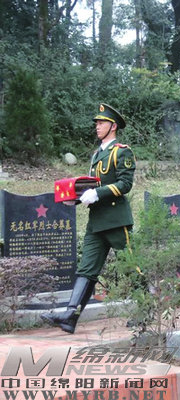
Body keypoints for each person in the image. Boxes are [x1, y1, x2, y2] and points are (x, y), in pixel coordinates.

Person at [41, 103, 136, 334]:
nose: (97, 126)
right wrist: (76, 199)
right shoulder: (97, 154)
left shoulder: (121, 151)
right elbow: (91, 185)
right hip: (96, 222)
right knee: (86, 269)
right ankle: (70, 316)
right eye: (97, 123)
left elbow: (125, 184)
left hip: (116, 220)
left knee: (131, 267)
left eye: (102, 123)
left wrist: (98, 193)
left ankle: (147, 309)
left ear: (113, 126)